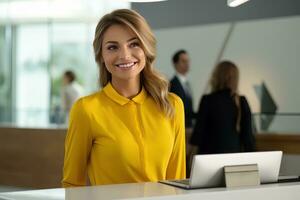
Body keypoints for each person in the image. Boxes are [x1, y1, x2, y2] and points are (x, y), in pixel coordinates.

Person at [62, 9, 186, 187]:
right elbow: (72, 184)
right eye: (113, 47)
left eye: (134, 44)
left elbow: (177, 182)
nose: (125, 55)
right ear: (101, 56)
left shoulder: (172, 105)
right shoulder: (86, 110)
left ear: (146, 49)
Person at [190, 61, 255, 154]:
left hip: (209, 158)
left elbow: (198, 134)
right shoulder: (242, 102)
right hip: (234, 157)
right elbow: (248, 137)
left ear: (216, 77)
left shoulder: (208, 100)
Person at [169, 50, 194, 176]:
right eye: (183, 61)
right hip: (180, 128)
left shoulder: (187, 84)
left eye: (188, 61)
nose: (187, 64)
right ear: (175, 64)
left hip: (189, 128)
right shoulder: (172, 84)